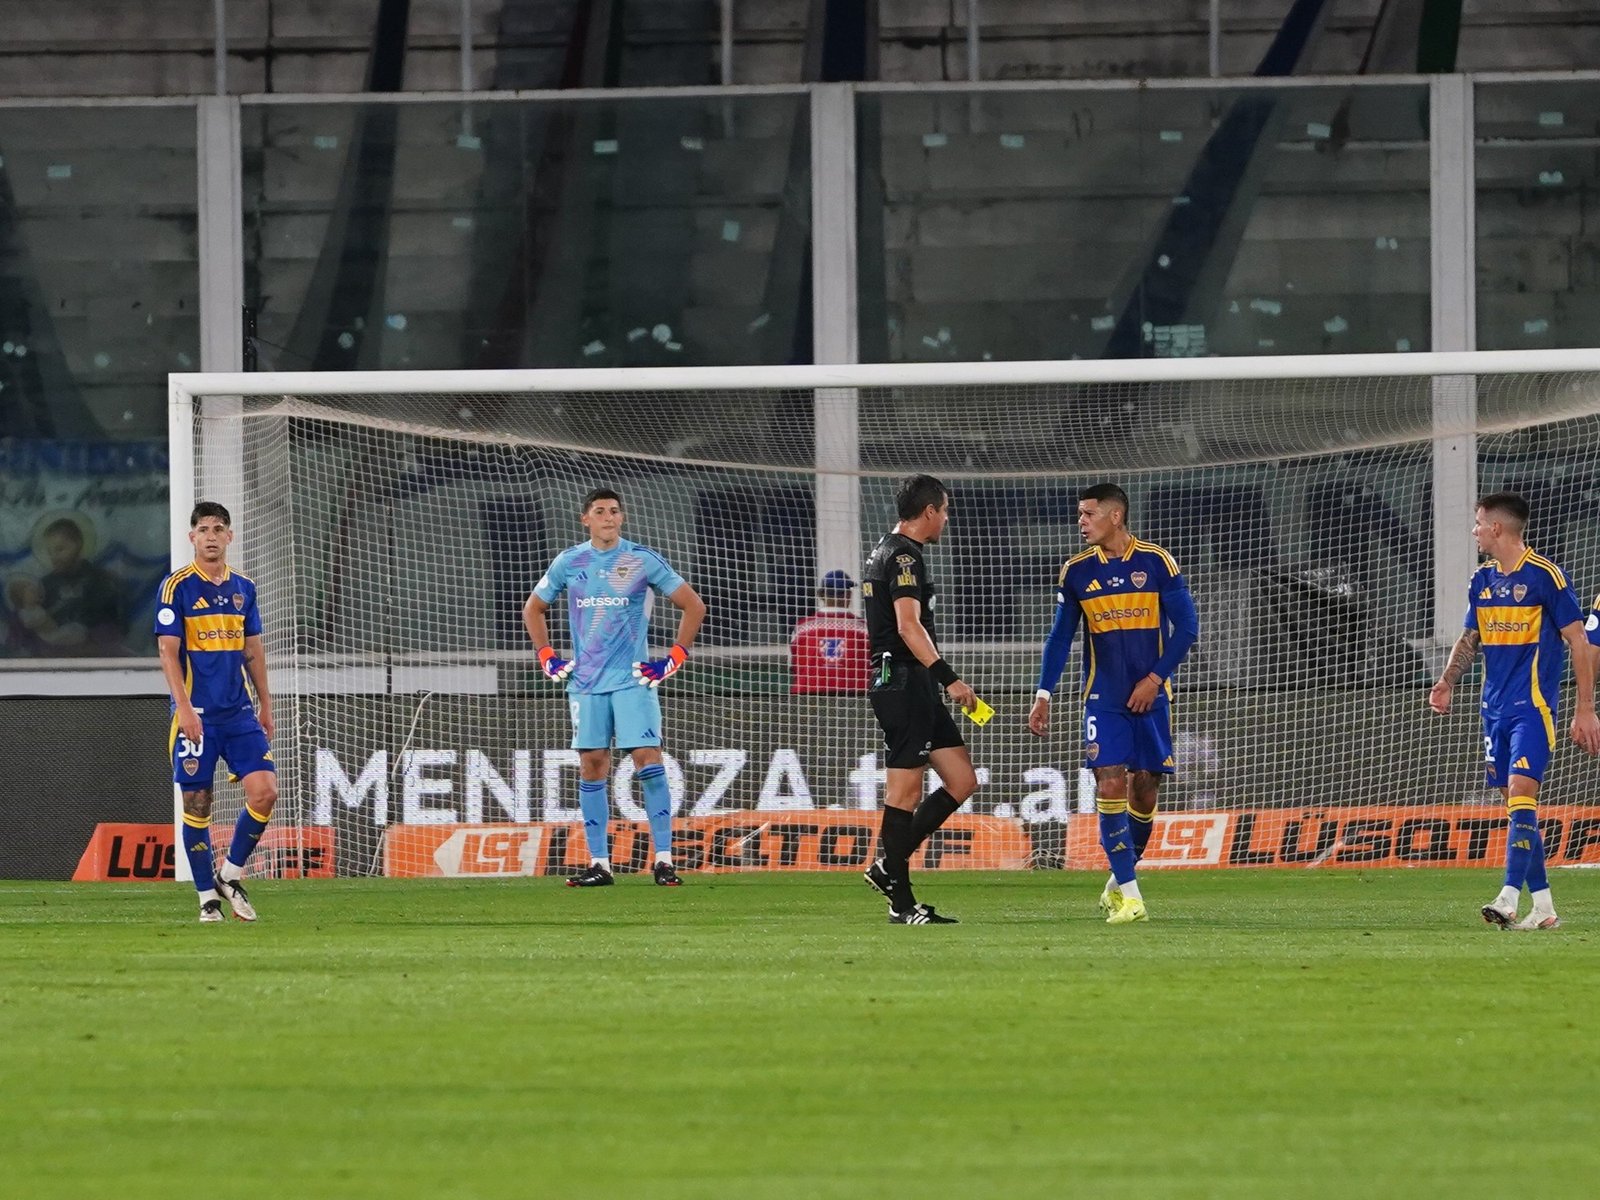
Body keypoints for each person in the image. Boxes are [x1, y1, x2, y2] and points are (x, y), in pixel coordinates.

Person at [1028, 483, 1199, 925]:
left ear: (1115, 516)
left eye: (1088, 514)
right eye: (1080, 514)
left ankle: (1115, 885)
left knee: (1145, 790)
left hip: (1153, 698)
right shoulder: (1077, 571)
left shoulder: (1157, 562)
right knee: (1108, 783)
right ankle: (1134, 897)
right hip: (1103, 699)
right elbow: (1060, 638)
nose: (1080, 521)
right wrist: (1043, 694)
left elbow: (1187, 629)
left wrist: (1154, 679)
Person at [1429, 491, 1600, 930]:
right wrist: (1447, 681)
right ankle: (1542, 906)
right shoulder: (1481, 580)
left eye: (1479, 523)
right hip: (1493, 711)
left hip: (1534, 708)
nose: (1475, 531)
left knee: (1523, 794)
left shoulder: (1546, 576)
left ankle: (1507, 898)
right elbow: (1471, 638)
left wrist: (1585, 709)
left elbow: (1579, 641)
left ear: (1498, 528)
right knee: (1517, 809)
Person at [524, 488, 706, 887]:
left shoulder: (640, 559)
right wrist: (547, 656)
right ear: (585, 519)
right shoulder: (570, 562)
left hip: (631, 680)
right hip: (586, 683)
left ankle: (663, 860)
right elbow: (533, 608)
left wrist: (675, 656)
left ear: (622, 518)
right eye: (600, 511)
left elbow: (694, 604)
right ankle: (600, 864)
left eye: (615, 511)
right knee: (592, 764)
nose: (609, 517)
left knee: (648, 759)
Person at [861, 474, 980, 925]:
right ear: (929, 511)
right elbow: (909, 627)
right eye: (944, 511)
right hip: (904, 683)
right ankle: (902, 903)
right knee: (904, 793)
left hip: (915, 685)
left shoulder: (884, 548)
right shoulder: (905, 555)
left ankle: (888, 865)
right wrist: (950, 679)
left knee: (962, 779)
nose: (946, 520)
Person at [154, 502, 277, 923]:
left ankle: (230, 874)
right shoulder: (176, 588)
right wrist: (185, 709)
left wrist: (266, 703)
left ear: (230, 537)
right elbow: (167, 653)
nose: (210, 535)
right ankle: (207, 897)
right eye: (203, 528)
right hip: (197, 715)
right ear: (192, 537)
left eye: (218, 528)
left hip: (240, 714)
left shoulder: (244, 587)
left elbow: (253, 650)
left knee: (265, 792)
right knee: (198, 802)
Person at [13, 514, 125, 655]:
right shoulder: (43, 585)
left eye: (60, 549)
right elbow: (27, 629)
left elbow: (116, 626)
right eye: (50, 552)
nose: (54, 557)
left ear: (78, 545)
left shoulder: (101, 581)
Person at [790, 568, 869, 694]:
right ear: (848, 595)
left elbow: (794, 665)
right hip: (854, 697)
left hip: (807, 695)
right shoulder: (863, 628)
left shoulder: (802, 627)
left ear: (821, 594)